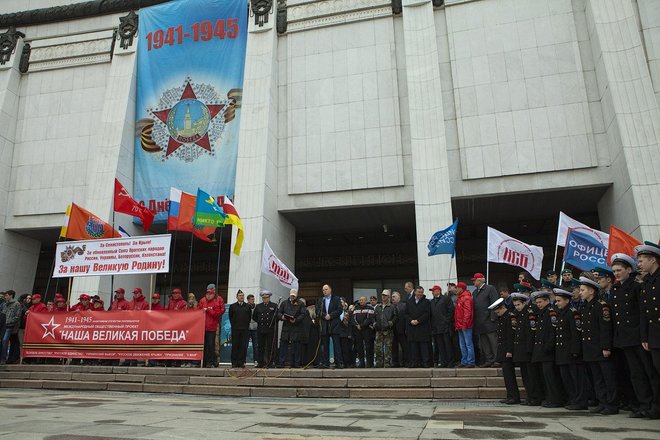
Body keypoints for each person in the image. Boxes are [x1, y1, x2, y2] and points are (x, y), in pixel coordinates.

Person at [579, 276, 618, 415]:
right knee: (597, 378)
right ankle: (602, 402)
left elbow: (605, 328)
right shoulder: (585, 306)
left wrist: (606, 347)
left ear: (591, 291)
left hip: (600, 348)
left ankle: (612, 404)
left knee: (608, 378)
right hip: (590, 349)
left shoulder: (601, 305)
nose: (580, 293)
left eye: (583, 290)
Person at [635, 242, 660, 419]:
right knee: (656, 371)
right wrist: (644, 336)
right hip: (654, 335)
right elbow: (644, 312)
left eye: (642, 260)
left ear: (653, 260)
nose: (639, 264)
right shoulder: (647, 282)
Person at [553, 288, 588, 410]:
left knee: (576, 378)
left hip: (571, 352)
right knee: (566, 378)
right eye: (556, 301)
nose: (557, 303)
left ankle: (580, 401)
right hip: (562, 352)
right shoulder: (560, 313)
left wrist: (575, 351)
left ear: (567, 300)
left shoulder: (573, 313)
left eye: (559, 301)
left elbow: (576, 334)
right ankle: (572, 399)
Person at [531, 291, 564, 408]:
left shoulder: (551, 312)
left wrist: (548, 347)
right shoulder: (541, 313)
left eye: (540, 302)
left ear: (547, 301)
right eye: (537, 302)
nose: (538, 304)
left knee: (551, 377)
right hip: (541, 351)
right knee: (545, 378)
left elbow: (552, 331)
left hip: (548, 352)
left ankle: (555, 399)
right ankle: (549, 398)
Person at [489, 297, 519, 404]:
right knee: (506, 375)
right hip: (503, 350)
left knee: (509, 375)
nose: (497, 314)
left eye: (498, 311)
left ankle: (514, 397)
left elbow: (511, 336)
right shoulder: (502, 317)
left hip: (508, 351)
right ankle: (510, 395)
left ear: (502, 308)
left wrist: (509, 351)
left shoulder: (510, 317)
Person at [472, 273, 499, 367]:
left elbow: (495, 303)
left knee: (493, 341)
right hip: (479, 322)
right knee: (484, 343)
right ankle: (489, 360)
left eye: (474, 280)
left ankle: (497, 360)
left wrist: (493, 317)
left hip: (489, 321)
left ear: (479, 280)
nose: (473, 282)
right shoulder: (475, 292)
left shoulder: (490, 288)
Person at [315, 284, 344, 369]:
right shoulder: (321, 300)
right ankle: (325, 362)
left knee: (336, 345)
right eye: (323, 290)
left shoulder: (336, 299)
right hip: (324, 325)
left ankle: (339, 362)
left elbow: (339, 310)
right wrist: (325, 316)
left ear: (330, 290)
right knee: (325, 345)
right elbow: (317, 311)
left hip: (334, 324)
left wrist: (330, 315)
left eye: (326, 289)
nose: (324, 291)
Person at [197, 286, 225, 367]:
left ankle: (210, 362)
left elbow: (217, 314)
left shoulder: (216, 302)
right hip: (202, 327)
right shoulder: (202, 301)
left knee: (211, 345)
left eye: (210, 294)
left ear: (213, 294)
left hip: (212, 327)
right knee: (204, 345)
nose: (208, 295)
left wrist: (209, 310)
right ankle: (203, 362)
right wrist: (201, 310)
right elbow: (197, 311)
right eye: (207, 294)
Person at [279, 288, 306, 368]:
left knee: (296, 346)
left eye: (294, 296)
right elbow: (279, 312)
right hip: (286, 327)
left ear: (296, 295)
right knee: (283, 345)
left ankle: (296, 363)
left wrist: (296, 320)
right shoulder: (284, 303)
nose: (292, 297)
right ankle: (281, 363)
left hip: (296, 327)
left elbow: (303, 314)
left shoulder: (300, 303)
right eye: (291, 295)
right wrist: (282, 317)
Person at [406, 286, 431, 368]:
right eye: (418, 292)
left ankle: (425, 363)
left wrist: (418, 321)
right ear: (415, 292)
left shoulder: (426, 302)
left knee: (424, 347)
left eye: (421, 292)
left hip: (422, 327)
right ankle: (414, 363)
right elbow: (406, 314)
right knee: (413, 347)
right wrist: (411, 320)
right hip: (412, 327)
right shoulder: (409, 301)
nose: (420, 294)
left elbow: (427, 314)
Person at [430, 285, 454, 368]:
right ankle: (444, 362)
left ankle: (450, 362)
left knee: (448, 345)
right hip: (436, 328)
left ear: (438, 291)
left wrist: (446, 321)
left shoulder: (446, 299)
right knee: (440, 346)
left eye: (433, 291)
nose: (432, 292)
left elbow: (451, 310)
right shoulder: (432, 301)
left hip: (445, 327)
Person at [253, 291, 278, 368]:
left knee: (270, 347)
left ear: (269, 297)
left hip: (270, 329)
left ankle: (270, 362)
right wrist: (260, 322)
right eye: (263, 298)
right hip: (261, 329)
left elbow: (277, 317)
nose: (265, 299)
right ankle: (260, 362)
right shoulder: (258, 306)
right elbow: (254, 317)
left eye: (266, 297)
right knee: (260, 346)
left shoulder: (274, 305)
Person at [374, 289, 397, 368]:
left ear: (388, 297)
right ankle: (379, 363)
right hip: (379, 330)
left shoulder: (392, 307)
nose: (383, 297)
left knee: (388, 348)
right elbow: (373, 317)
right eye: (382, 295)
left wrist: (391, 323)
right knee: (378, 348)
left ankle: (387, 363)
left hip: (388, 330)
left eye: (385, 295)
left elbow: (395, 317)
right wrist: (374, 324)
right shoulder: (378, 307)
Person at [228, 290, 251, 368]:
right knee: (235, 346)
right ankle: (234, 362)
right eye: (240, 295)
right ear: (237, 297)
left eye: (242, 295)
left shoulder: (247, 306)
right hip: (235, 329)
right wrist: (234, 326)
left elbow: (249, 317)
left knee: (243, 346)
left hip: (244, 330)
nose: (242, 297)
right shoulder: (233, 306)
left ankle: (241, 362)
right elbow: (230, 317)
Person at [455, 282, 475, 368]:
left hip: (466, 325)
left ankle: (470, 361)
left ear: (461, 288)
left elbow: (467, 312)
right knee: (462, 344)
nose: (456, 289)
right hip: (460, 325)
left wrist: (464, 324)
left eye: (457, 288)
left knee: (468, 344)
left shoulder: (466, 298)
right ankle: (464, 361)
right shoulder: (460, 298)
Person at [353, 296, 375, 368]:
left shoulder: (370, 308)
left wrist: (361, 326)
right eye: (360, 300)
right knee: (359, 347)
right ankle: (361, 363)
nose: (361, 301)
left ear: (366, 301)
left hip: (367, 330)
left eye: (362, 300)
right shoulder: (355, 309)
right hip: (358, 330)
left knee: (368, 347)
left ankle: (369, 363)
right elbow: (353, 319)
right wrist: (357, 325)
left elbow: (369, 319)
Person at [1, 291, 21, 365]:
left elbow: (17, 316)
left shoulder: (17, 304)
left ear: (11, 296)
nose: (5, 297)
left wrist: (8, 321)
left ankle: (3, 358)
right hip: (3, 326)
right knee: (2, 341)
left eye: (6, 295)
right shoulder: (4, 304)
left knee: (4, 340)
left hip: (10, 326)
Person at [391, 291, 407, 367]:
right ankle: (395, 362)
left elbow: (406, 318)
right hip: (392, 330)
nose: (392, 298)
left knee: (405, 347)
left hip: (402, 330)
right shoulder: (390, 306)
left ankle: (405, 362)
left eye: (394, 297)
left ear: (399, 298)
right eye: (392, 297)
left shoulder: (404, 306)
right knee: (394, 347)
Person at [339, 298, 354, 368]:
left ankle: (347, 363)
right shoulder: (336, 312)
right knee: (339, 350)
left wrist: (349, 334)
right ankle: (341, 362)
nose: (340, 303)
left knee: (346, 349)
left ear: (344, 303)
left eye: (341, 302)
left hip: (346, 334)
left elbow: (350, 324)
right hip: (338, 333)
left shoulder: (348, 312)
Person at [247, 293, 259, 366]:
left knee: (256, 346)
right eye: (252, 299)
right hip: (247, 328)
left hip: (255, 328)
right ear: (248, 300)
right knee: (245, 345)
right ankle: (243, 361)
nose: (253, 300)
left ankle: (256, 360)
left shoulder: (257, 307)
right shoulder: (245, 306)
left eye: (253, 299)